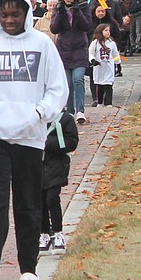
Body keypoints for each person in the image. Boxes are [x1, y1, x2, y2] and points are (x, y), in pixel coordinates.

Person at [0, 0, 68, 280]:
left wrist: (40, 113)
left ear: (26, 13)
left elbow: (57, 88)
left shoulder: (42, 45)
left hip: (30, 137)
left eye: (16, 14)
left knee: (28, 203)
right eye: (5, 14)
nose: (10, 20)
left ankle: (28, 269)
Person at [50, 0, 92, 124]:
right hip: (64, 49)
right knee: (67, 83)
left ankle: (80, 110)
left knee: (78, 79)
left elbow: (86, 26)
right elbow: (54, 29)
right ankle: (69, 110)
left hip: (79, 48)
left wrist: (77, 12)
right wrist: (61, 13)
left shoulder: (83, 6)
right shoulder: (58, 8)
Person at [40, 109, 78, 257]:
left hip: (57, 164)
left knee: (52, 198)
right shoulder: (36, 117)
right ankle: (44, 233)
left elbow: (72, 142)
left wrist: (48, 143)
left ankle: (58, 233)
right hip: (37, 165)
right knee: (40, 200)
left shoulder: (65, 119)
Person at [88, 24, 121, 107]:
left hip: (108, 67)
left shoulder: (112, 43)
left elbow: (115, 54)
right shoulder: (95, 43)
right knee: (100, 85)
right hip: (99, 67)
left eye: (109, 30)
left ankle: (108, 102)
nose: (108, 32)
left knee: (108, 85)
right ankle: (99, 102)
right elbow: (91, 53)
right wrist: (93, 60)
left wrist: (118, 63)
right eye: (106, 30)